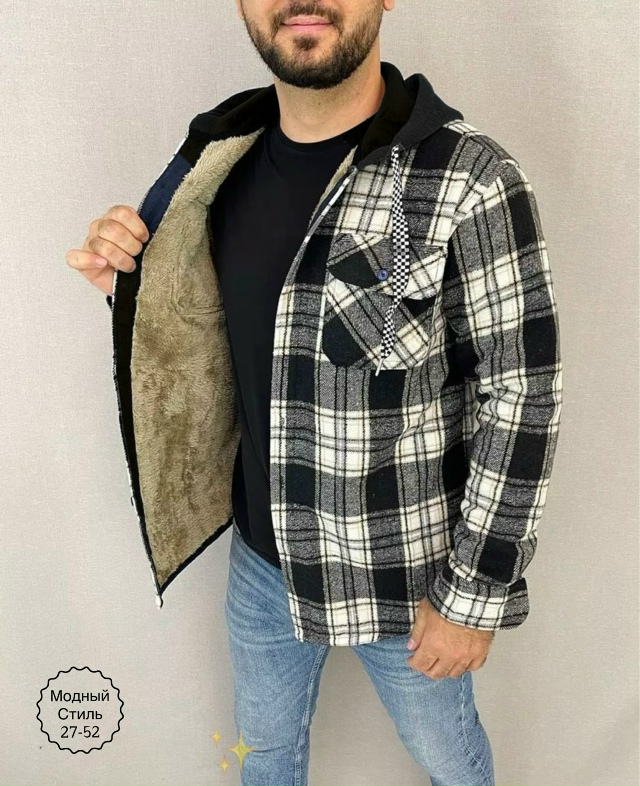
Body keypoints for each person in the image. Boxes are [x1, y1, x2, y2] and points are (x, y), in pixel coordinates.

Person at [65, 2, 564, 784]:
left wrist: (473, 594)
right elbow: (218, 342)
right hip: (261, 566)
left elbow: (522, 398)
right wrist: (131, 293)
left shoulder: (470, 179)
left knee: (451, 761)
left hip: (405, 578)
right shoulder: (216, 164)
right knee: (264, 757)